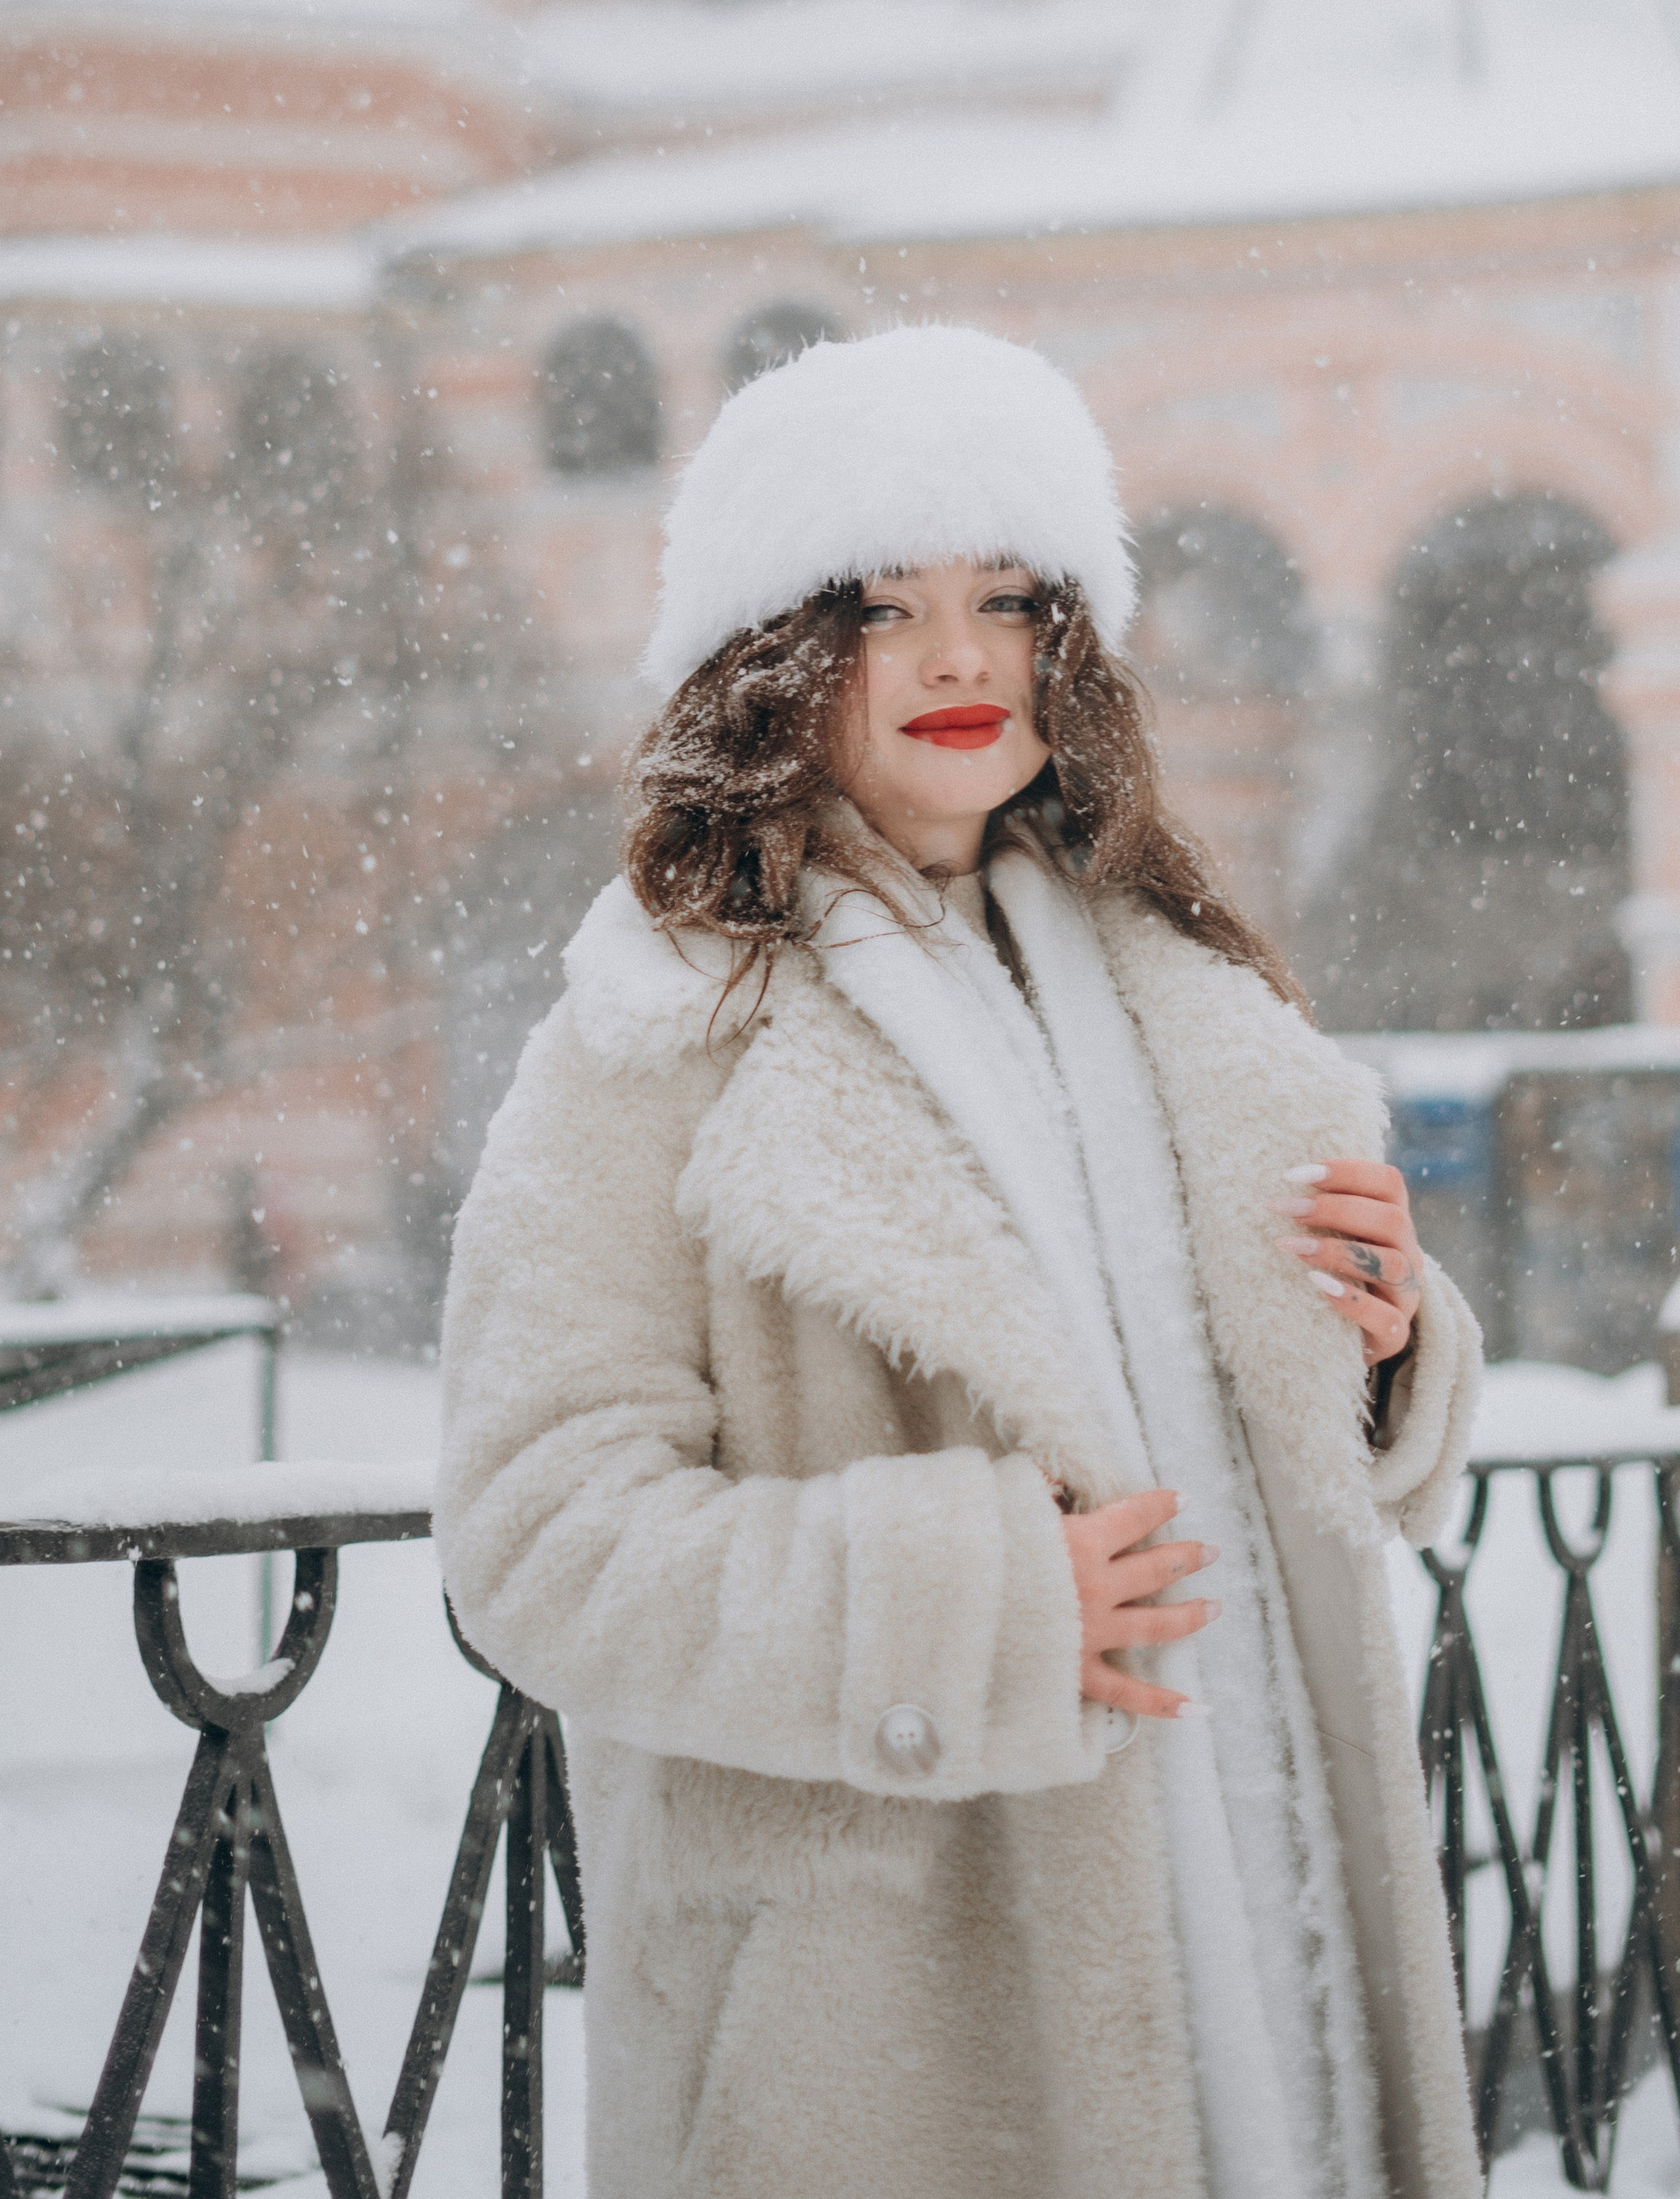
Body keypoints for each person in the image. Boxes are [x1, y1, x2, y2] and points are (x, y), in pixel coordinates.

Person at [436, 324, 1482, 2199]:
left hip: (1272, 1903)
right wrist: (972, 1607)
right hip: (895, 2014)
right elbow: (536, 1538)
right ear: (766, 656)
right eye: (879, 609)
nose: (953, 659)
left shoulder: (1176, 989)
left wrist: (1390, 1338)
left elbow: (1234, 1414)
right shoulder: (653, 1032)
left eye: (1006, 600)